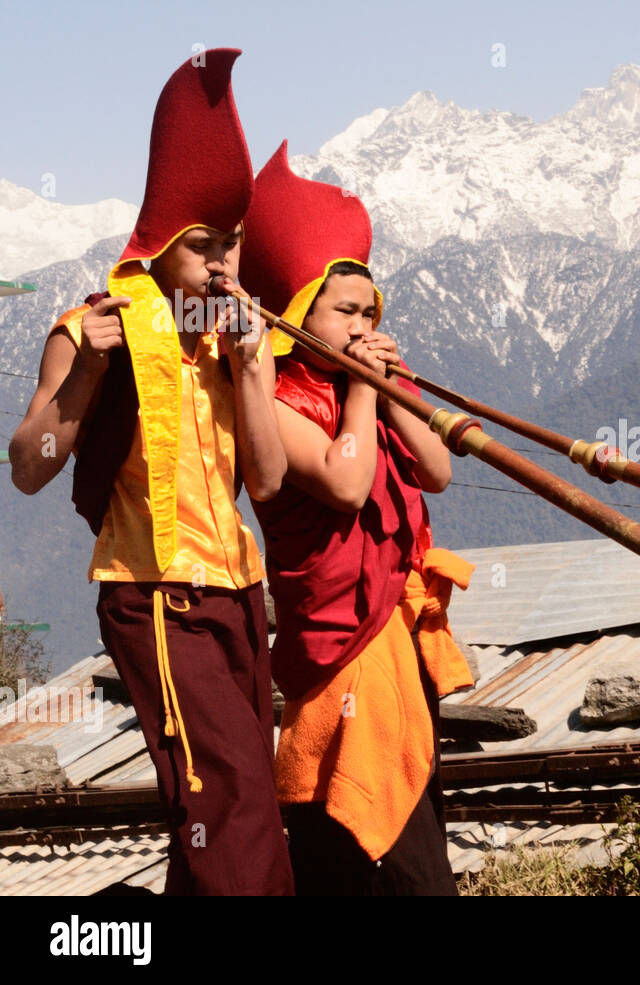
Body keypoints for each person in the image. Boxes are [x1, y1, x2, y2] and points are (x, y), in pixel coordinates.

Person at [7, 50, 293, 895]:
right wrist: (87, 377)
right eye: (202, 245)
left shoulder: (240, 338)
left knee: (228, 801)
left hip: (239, 590)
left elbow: (269, 483)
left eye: (233, 245)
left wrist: (250, 368)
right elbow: (30, 466)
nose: (221, 265)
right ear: (160, 245)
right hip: (157, 593)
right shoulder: (93, 326)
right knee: (231, 795)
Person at [238, 142, 474, 894]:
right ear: (302, 316)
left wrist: (393, 387)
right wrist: (367, 390)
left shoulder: (368, 390)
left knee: (411, 810)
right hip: (343, 647)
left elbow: (436, 469)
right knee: (362, 836)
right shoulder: (280, 401)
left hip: (395, 637)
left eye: (372, 311)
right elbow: (344, 483)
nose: (362, 323)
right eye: (345, 311)